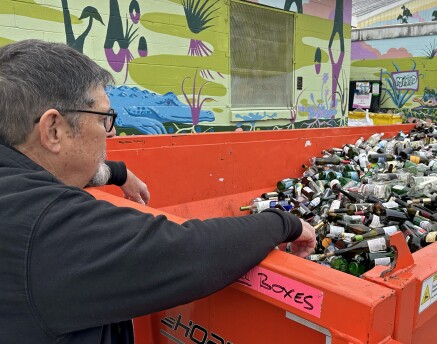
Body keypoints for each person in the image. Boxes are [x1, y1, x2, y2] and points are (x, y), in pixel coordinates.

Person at [0, 39, 316, 343]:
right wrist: (284, 222)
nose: (112, 132)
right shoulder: (42, 229)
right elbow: (193, 252)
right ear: (53, 129)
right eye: (105, 118)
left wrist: (117, 173)